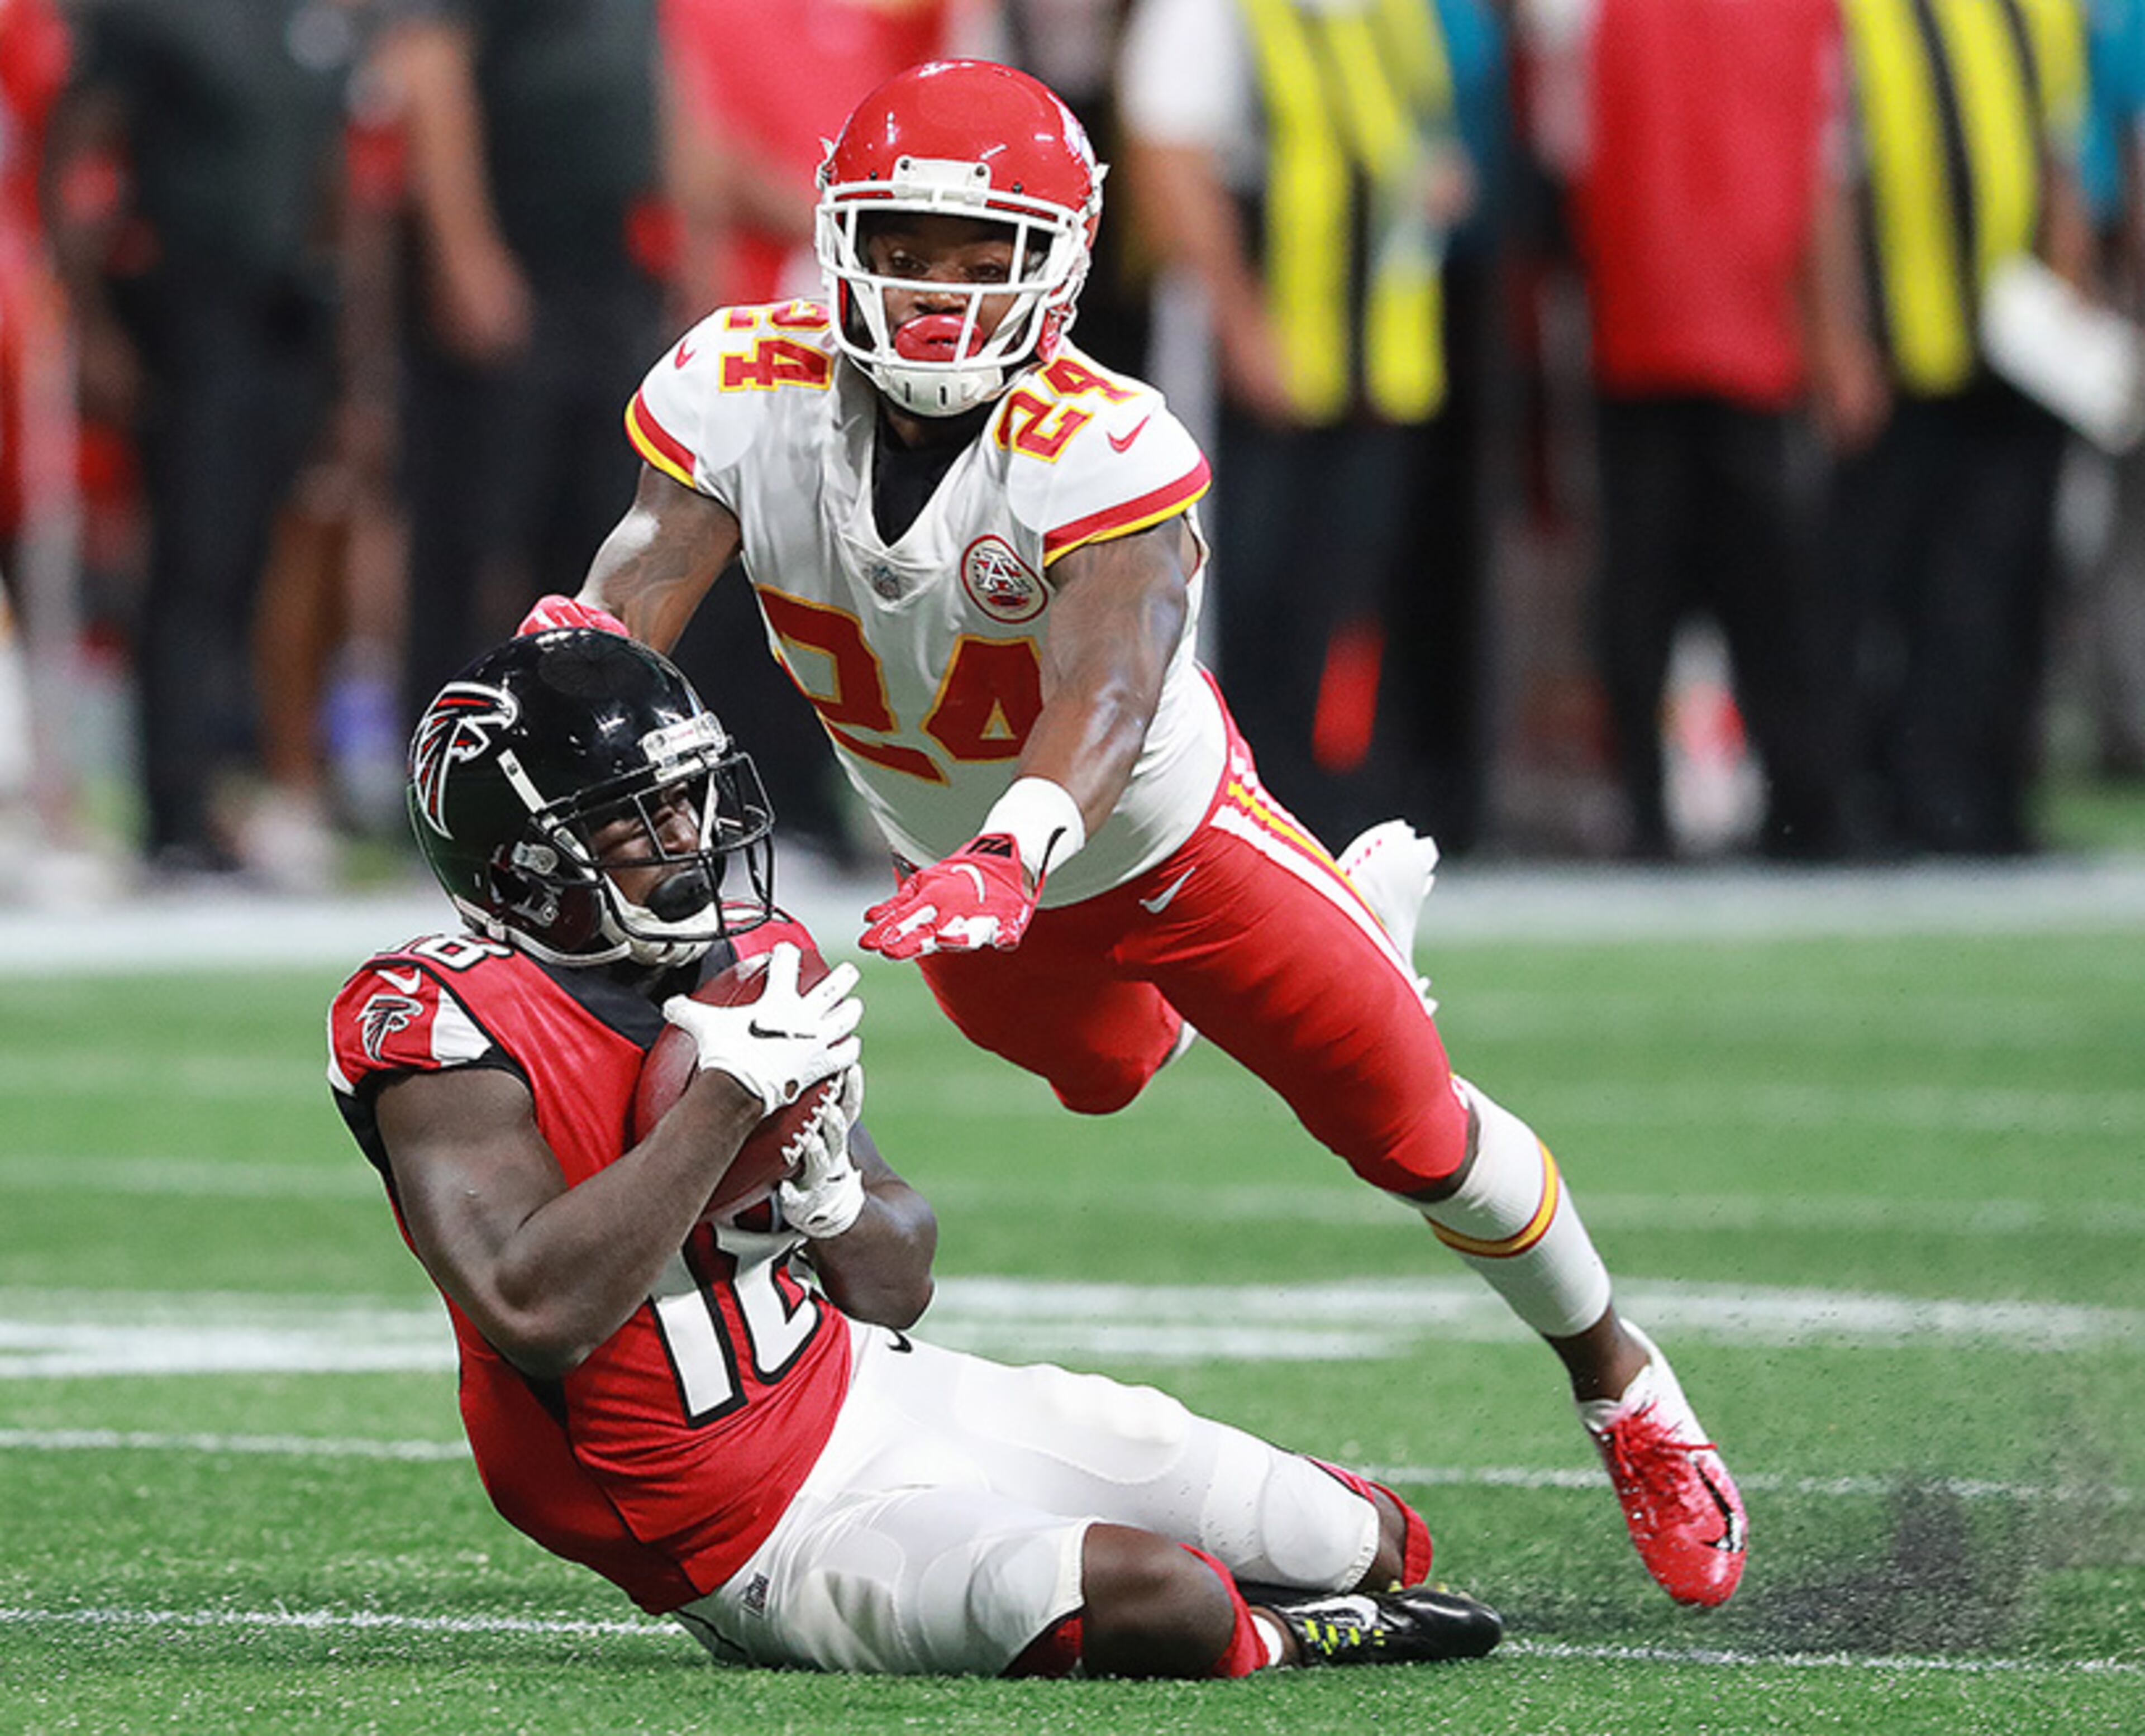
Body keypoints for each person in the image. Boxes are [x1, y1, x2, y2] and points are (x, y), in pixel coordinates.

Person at [540, 59, 1748, 1608]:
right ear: (842, 236)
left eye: (983, 253)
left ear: (1060, 262)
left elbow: (1110, 680)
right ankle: (1263, 974)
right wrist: (551, 701)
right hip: (955, 877)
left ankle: (1625, 1383)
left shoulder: (1098, 435)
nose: (939, 289)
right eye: (906, 244)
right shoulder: (745, 383)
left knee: (1417, 1136)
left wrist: (1014, 849)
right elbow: (639, 580)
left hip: (1163, 849)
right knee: (1100, 1076)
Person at [327, 626, 1505, 1676]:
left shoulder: (748, 963)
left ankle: (1294, 1590)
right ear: (523, 862)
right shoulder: (442, 1021)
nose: (688, 836)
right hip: (740, 1529)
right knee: (1174, 1601)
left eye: (688, 795)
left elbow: (899, 1285)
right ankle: (1289, 1634)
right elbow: (535, 1311)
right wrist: (728, 1103)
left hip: (862, 1387)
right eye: (640, 815)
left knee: (1357, 1537)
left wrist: (834, 1198)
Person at [1553, 0, 1853, 862]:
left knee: (1644, 590)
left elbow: (1565, 148)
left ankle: (1646, 804)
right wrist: (1834, 333)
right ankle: (1797, 804)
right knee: (1766, 592)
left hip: (1641, 323)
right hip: (1744, 333)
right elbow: (1821, 170)